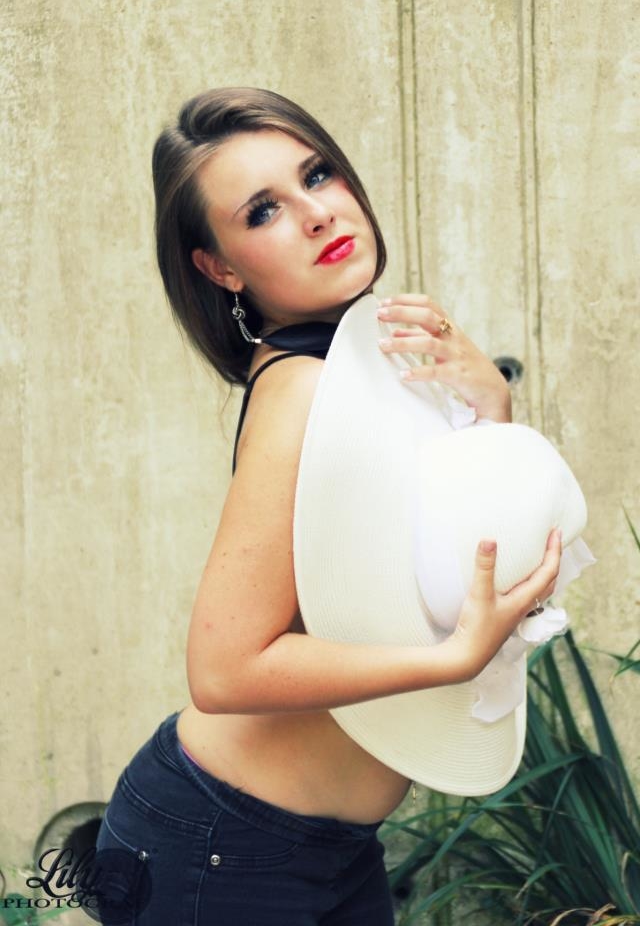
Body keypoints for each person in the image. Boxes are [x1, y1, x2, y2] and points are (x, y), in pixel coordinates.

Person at [92, 87, 562, 926]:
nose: (316, 214)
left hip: (328, 849)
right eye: (263, 210)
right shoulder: (302, 390)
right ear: (220, 268)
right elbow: (225, 670)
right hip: (225, 846)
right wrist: (453, 660)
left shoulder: (364, 357)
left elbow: (441, 561)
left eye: (317, 175)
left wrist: (490, 410)